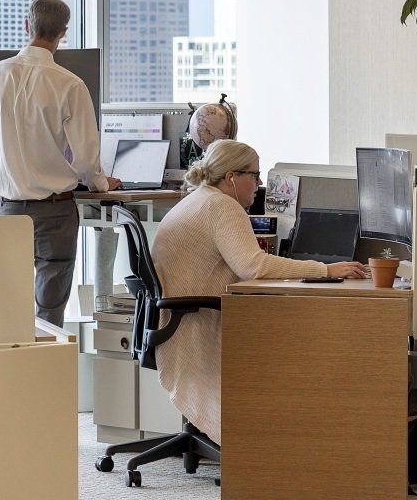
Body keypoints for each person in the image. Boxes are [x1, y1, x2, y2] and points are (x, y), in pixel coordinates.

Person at [150, 139, 366, 444]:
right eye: (254, 175)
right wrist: (325, 270)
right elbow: (253, 266)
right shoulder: (221, 206)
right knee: (296, 345)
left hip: (180, 315)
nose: (259, 183)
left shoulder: (200, 198)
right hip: (196, 319)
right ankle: (280, 441)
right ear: (231, 177)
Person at [0, 0, 120, 326]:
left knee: (3, 311)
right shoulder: (71, 85)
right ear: (63, 33)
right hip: (55, 212)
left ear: (27, 26)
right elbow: (85, 160)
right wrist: (101, 184)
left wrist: (8, 178)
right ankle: (48, 360)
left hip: (7, 209)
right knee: (49, 316)